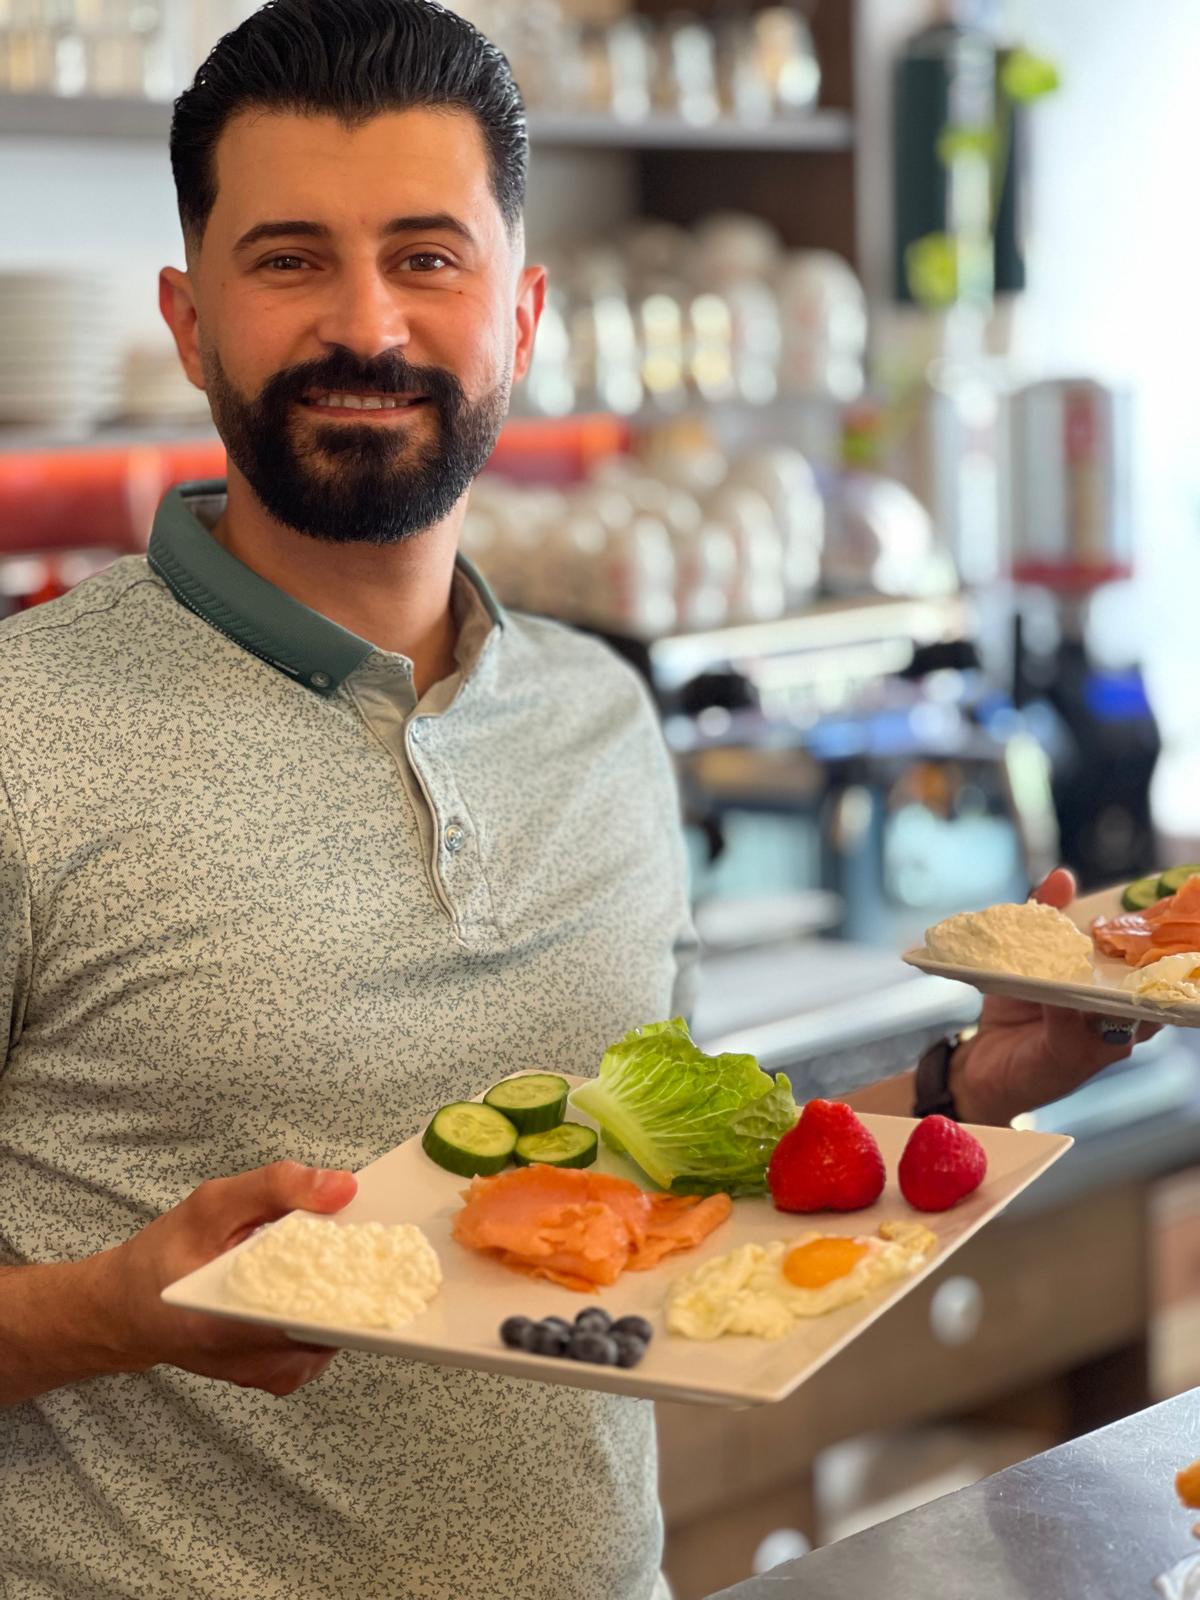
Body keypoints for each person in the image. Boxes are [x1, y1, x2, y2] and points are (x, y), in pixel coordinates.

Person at [0, 2, 1151, 1596]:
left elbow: (653, 1188)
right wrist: (103, 1312)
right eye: (289, 261)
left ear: (522, 317)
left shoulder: (603, 713)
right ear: (191, 326)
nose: (366, 327)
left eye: (426, 257)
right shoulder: (24, 736)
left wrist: (967, 1086)